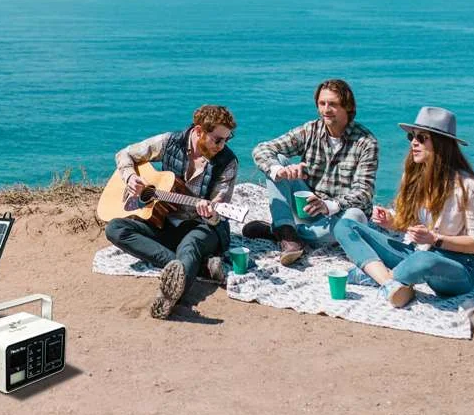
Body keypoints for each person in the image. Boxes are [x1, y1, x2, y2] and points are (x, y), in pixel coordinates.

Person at [332, 107, 474, 307]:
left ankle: (374, 275)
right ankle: (389, 283)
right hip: (416, 252)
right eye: (412, 136)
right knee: (345, 226)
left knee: (424, 259)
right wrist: (391, 221)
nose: (414, 142)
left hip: (456, 267)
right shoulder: (414, 177)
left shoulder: (468, 186)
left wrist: (436, 240)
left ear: (441, 145)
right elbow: (409, 225)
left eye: (422, 138)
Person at [104, 105, 239, 319]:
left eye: (226, 140)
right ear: (198, 131)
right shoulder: (170, 141)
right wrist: (130, 178)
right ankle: (197, 267)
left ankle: (169, 297)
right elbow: (125, 153)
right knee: (115, 228)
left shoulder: (228, 162)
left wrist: (210, 212)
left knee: (190, 245)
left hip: (202, 225)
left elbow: (218, 210)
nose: (222, 146)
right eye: (217, 139)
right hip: (162, 220)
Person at [245, 79, 378, 265]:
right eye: (322, 103)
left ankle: (282, 232)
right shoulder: (310, 130)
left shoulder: (366, 142)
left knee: (354, 218)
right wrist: (281, 171)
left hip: (341, 212)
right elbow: (262, 149)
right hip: (308, 207)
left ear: (347, 107)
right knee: (279, 161)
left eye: (332, 104)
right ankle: (286, 230)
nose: (326, 109)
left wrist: (329, 205)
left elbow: (364, 192)